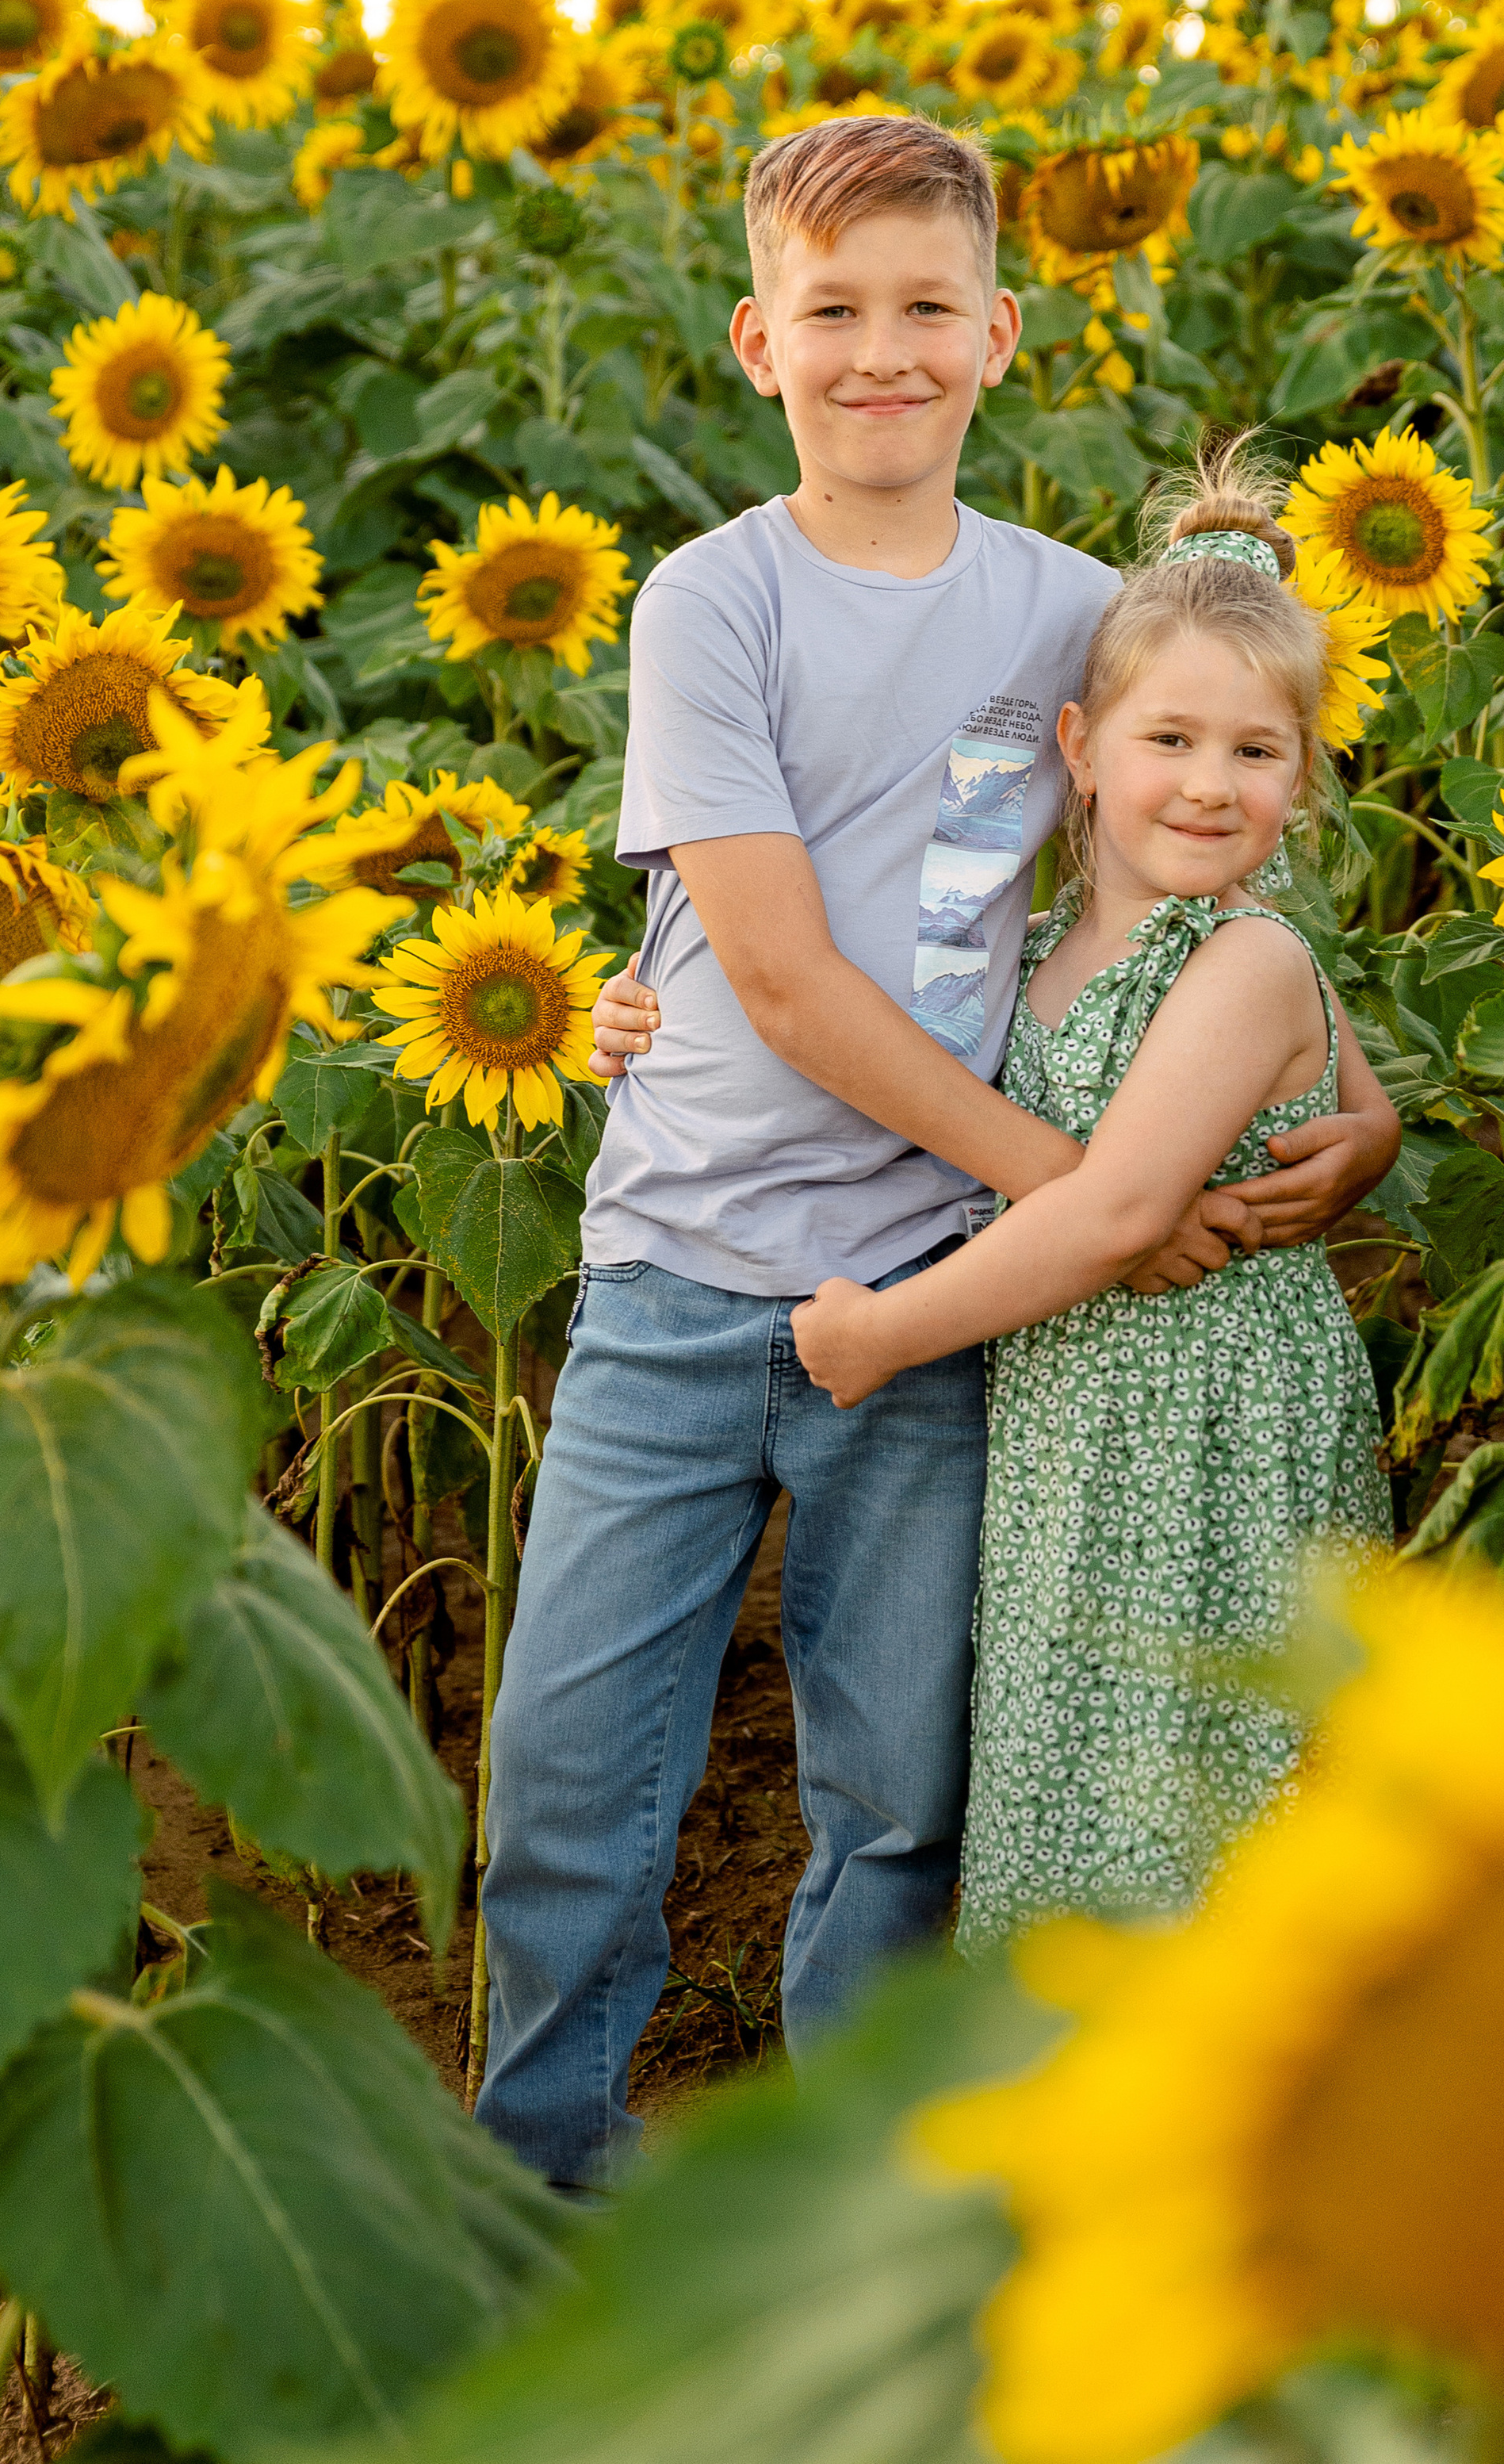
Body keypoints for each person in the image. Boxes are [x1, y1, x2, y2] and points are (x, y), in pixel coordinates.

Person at [477, 113, 1398, 2189]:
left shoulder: (1069, 619)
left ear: (998, 336)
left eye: (924, 310)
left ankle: (853, 2205)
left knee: (897, 1791)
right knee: (570, 1775)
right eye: (832, 312)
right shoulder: (714, 601)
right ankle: (539, 2180)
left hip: (935, 1289)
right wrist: (1095, 1200)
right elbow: (780, 975)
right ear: (758, 342)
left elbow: (1202, 871)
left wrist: (1358, 1118)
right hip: (681, 1268)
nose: (878, 353)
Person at [790, 441, 1395, 1946]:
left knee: (1202, 1788)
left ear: (1302, 775)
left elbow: (1119, 1211)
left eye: (1257, 751)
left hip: (1212, 1441)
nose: (1210, 783)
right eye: (1169, 737)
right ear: (1080, 743)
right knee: (1077, 1771)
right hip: (1081, 1436)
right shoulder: (1049, 941)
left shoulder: (1244, 958)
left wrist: (882, 1336)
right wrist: (640, 1005)